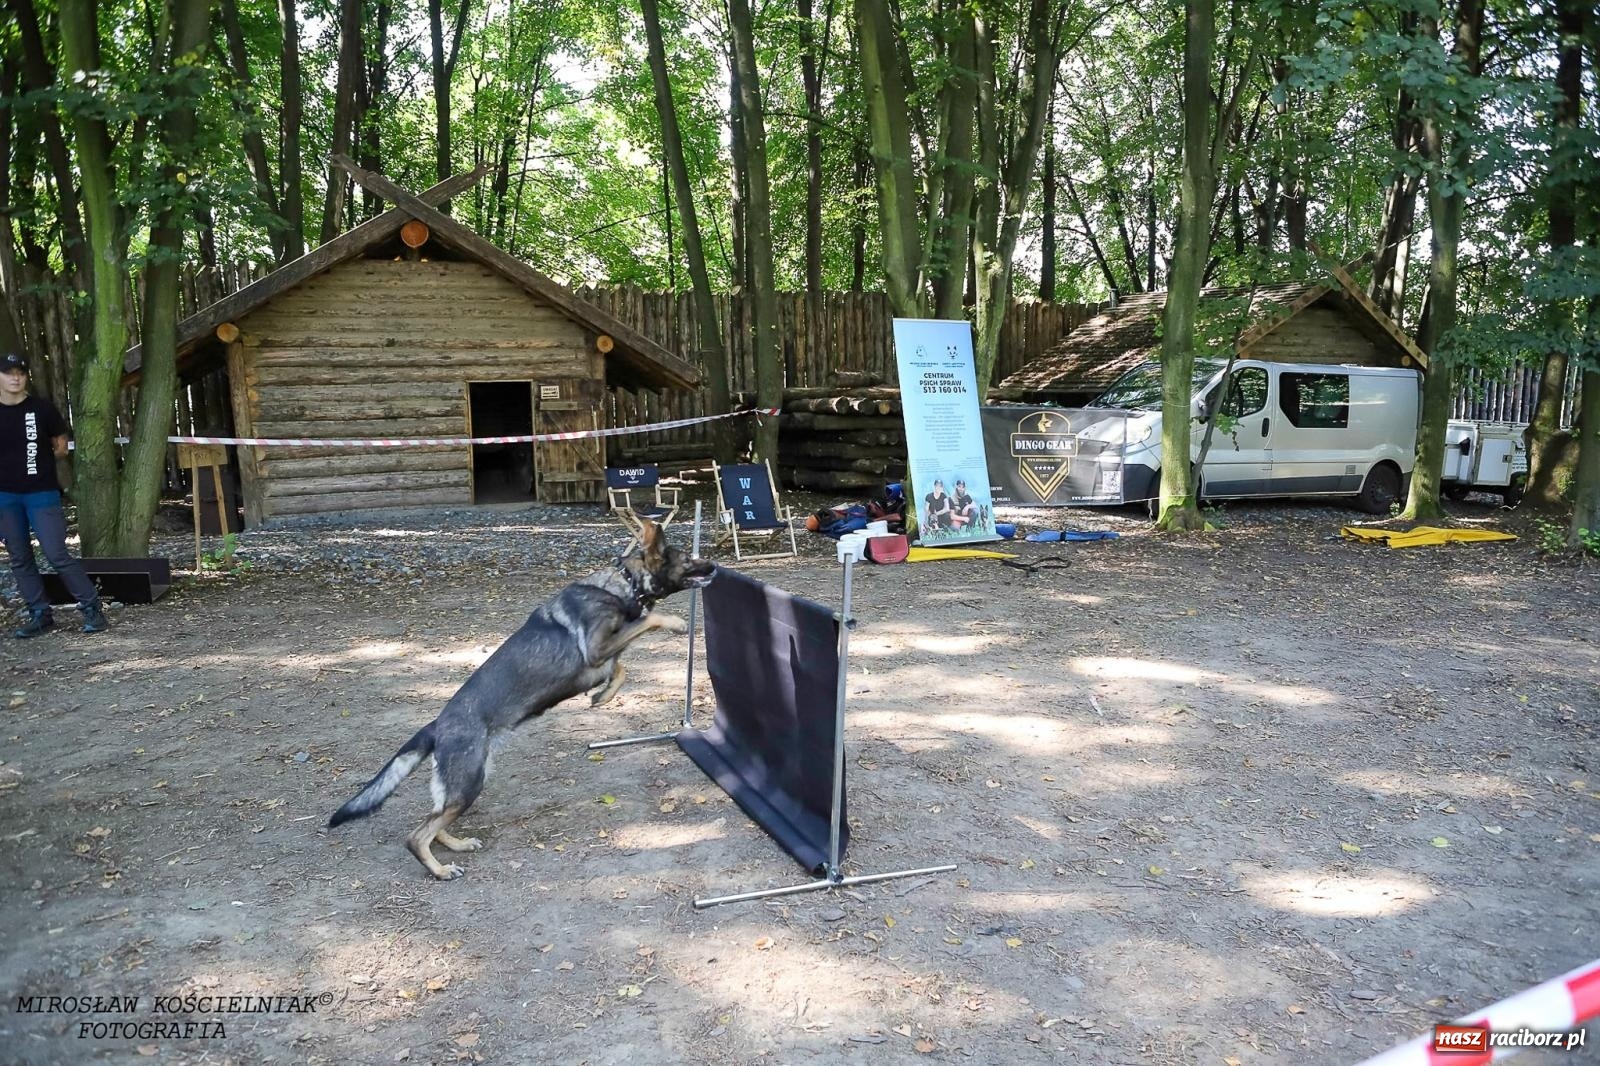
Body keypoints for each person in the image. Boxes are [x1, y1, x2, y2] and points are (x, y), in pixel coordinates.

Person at [0, 352, 108, 637]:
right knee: (19, 556)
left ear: (26, 377)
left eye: (20, 373)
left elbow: (61, 447)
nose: (15, 378)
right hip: (5, 496)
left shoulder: (41, 409)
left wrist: (38, 462)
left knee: (56, 552)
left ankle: (92, 608)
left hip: (41, 492)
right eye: (8, 372)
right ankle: (39, 613)